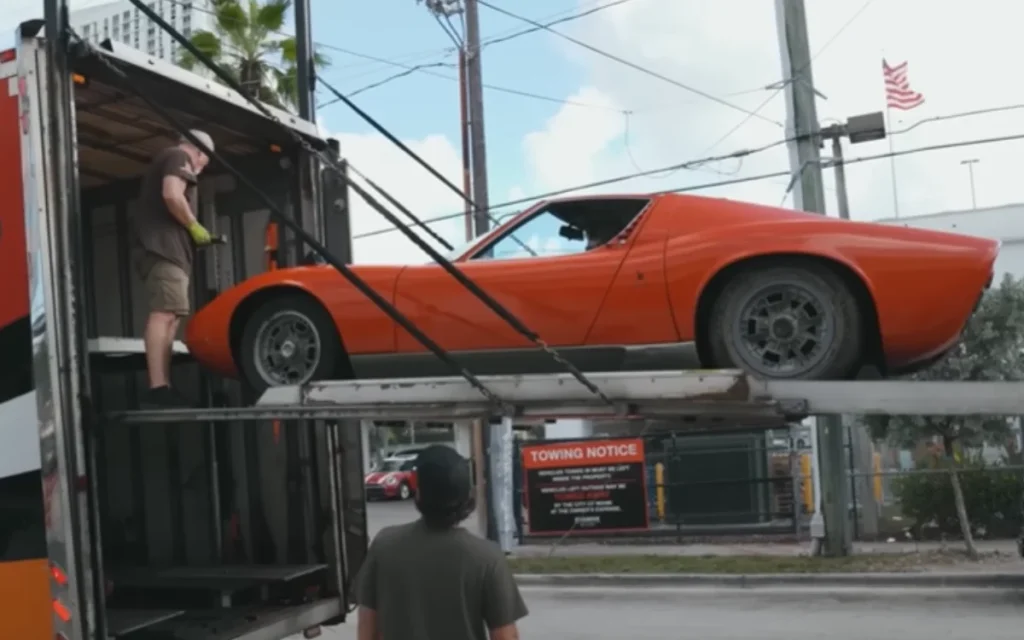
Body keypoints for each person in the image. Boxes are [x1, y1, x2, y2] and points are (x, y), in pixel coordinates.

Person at [355, 445, 528, 640]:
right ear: (467, 496)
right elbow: (505, 635)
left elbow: (367, 625)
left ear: (419, 493)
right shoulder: (487, 557)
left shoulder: (384, 546)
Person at [133, 130, 215, 407]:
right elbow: (171, 194)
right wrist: (193, 225)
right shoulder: (177, 155)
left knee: (172, 316)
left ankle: (164, 385)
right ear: (200, 152)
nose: (203, 167)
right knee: (165, 313)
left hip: (173, 254)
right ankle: (158, 388)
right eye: (206, 160)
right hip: (162, 251)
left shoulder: (174, 158)